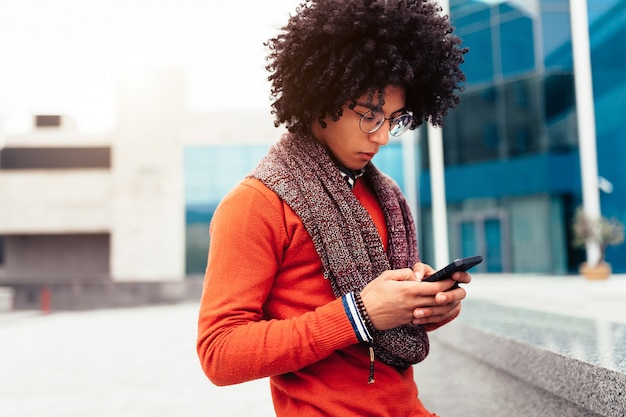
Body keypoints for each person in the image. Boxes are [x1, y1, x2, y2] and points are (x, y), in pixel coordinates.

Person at [197, 0, 469, 415]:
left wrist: (424, 303)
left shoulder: (387, 196)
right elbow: (220, 353)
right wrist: (358, 315)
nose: (382, 138)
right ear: (322, 98)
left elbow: (388, 319)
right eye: (370, 115)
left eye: (394, 119)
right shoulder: (256, 203)